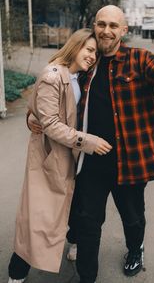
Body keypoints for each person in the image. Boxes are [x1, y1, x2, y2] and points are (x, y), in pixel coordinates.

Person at [29, 5, 154, 283]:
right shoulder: (87, 62)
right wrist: (33, 115)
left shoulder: (139, 59)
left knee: (133, 217)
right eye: (102, 24)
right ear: (95, 27)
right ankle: (87, 277)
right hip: (89, 161)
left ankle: (135, 250)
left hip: (130, 162)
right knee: (89, 222)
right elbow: (55, 89)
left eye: (114, 25)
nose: (106, 31)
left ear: (124, 30)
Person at [7, 28, 112, 283]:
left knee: (73, 208)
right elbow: (51, 123)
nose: (91, 56)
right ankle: (16, 274)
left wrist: (33, 116)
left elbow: (41, 110)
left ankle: (74, 242)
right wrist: (88, 141)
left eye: (95, 53)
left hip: (71, 159)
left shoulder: (80, 77)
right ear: (75, 46)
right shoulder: (53, 75)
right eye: (88, 50)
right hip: (50, 158)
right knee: (38, 218)